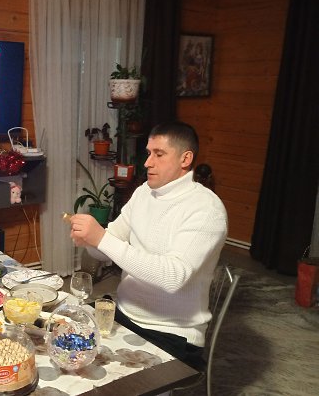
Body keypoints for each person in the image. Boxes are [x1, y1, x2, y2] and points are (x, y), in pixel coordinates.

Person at [69, 121, 227, 369]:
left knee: (100, 379)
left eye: (159, 154)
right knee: (61, 342)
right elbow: (107, 247)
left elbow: (173, 277)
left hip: (171, 333)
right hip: (124, 314)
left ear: (185, 159)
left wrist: (101, 238)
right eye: (149, 153)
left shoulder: (206, 209)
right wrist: (90, 241)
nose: (147, 162)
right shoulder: (144, 193)